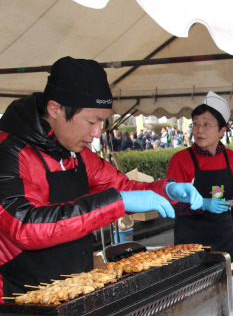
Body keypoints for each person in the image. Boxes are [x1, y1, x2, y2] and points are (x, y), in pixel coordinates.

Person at [0, 56, 202, 298]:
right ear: (55, 109)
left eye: (102, 122)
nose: (96, 133)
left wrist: (165, 190)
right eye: (91, 121)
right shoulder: (8, 151)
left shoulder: (77, 152)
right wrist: (117, 202)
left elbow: (120, 185)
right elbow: (25, 225)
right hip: (18, 298)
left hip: (74, 289)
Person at [167, 92, 233, 261]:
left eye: (207, 124)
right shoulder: (181, 159)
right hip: (190, 239)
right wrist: (203, 204)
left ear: (222, 131)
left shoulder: (230, 157)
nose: (199, 130)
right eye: (195, 124)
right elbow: (172, 203)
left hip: (223, 236)